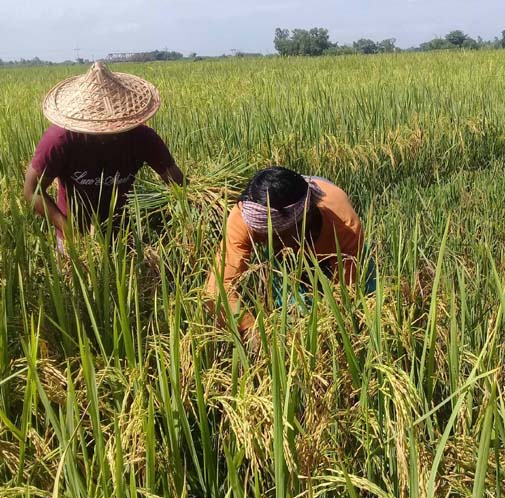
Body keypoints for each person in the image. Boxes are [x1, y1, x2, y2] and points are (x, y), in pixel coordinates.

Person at [23, 61, 186, 249]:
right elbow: (32, 189)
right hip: (75, 237)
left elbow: (175, 180)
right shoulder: (60, 139)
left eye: (113, 127)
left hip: (123, 234)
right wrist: (69, 231)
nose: (105, 134)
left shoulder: (142, 138)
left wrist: (196, 198)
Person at [206, 166, 372, 335]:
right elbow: (217, 289)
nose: (270, 243)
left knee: (365, 298)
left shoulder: (344, 226)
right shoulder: (245, 218)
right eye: (263, 236)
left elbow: (346, 297)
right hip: (293, 236)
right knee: (291, 309)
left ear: (304, 220)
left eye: (277, 236)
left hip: (331, 246)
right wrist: (254, 333)